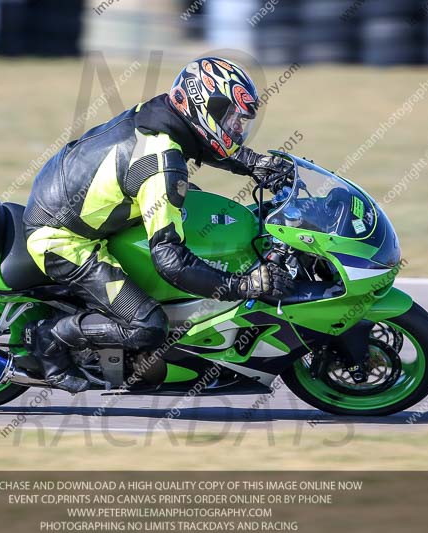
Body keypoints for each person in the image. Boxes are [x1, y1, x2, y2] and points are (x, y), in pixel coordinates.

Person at [23, 57, 295, 393]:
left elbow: (196, 137)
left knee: (192, 204)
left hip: (73, 199)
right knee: (149, 326)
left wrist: (251, 162)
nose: (236, 129)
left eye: (240, 121)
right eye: (230, 118)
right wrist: (244, 286)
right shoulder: (161, 164)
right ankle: (52, 336)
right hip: (61, 237)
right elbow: (171, 261)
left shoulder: (159, 113)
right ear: (201, 106)